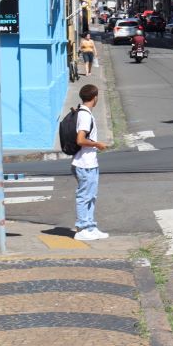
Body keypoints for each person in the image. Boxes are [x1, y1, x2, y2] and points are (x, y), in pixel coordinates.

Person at [72, 83, 109, 240]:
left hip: (89, 162)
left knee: (91, 196)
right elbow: (80, 140)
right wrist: (97, 144)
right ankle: (82, 228)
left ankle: (90, 226)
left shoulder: (83, 112)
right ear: (95, 98)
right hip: (84, 163)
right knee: (84, 196)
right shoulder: (85, 116)